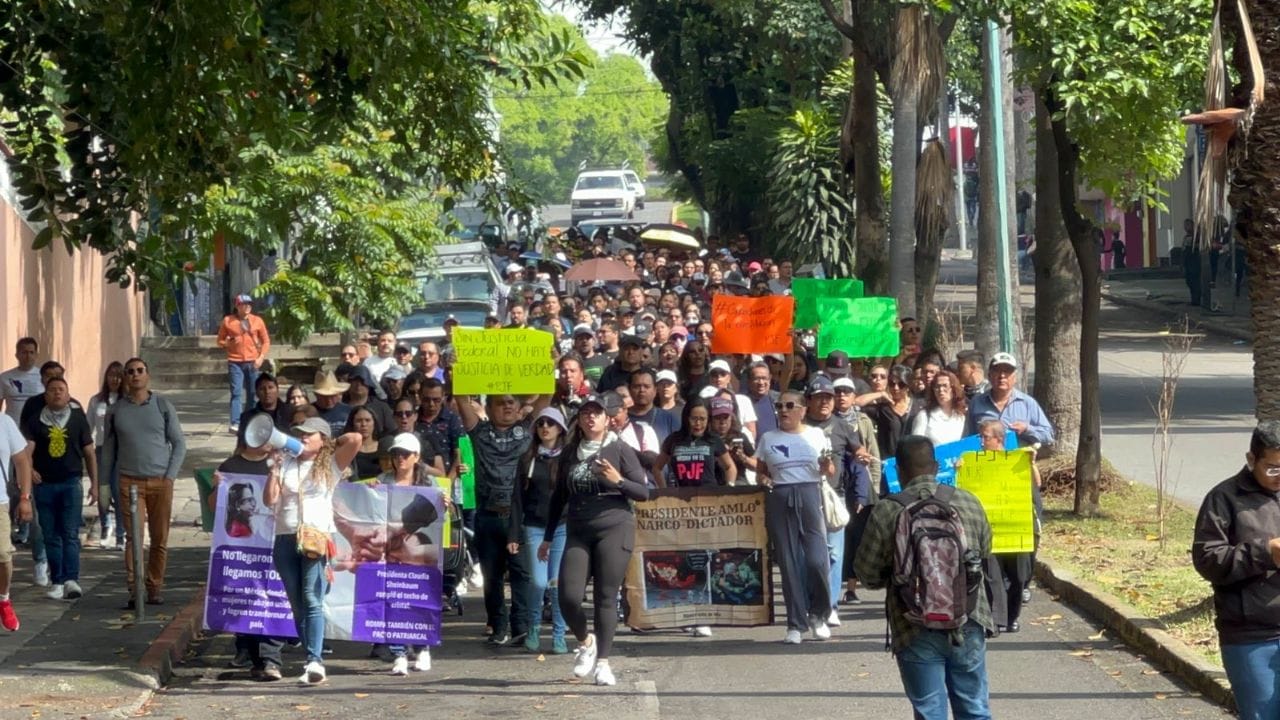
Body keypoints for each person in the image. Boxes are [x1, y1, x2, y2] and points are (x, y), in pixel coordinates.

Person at [853, 435, 995, 719]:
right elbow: (986, 550)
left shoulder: (887, 510)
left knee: (930, 710)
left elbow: (866, 574)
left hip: (913, 623)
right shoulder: (967, 501)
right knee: (975, 708)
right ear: (936, 465)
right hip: (967, 615)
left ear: (900, 470)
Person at [541, 394, 651, 686]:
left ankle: (603, 662)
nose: (591, 417)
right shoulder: (569, 453)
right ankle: (585, 641)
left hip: (614, 527)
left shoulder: (620, 449)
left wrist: (618, 480)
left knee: (605, 596)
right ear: (579, 419)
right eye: (586, 413)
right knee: (567, 596)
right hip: (578, 528)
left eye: (597, 413)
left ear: (607, 419)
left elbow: (643, 492)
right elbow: (558, 499)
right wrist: (548, 537)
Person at [1192, 421, 1280, 719]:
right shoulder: (1224, 498)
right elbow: (1207, 559)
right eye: (1273, 468)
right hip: (1252, 634)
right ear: (1251, 459)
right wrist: (1266, 552)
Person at [264, 416, 361, 685]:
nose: (302, 438)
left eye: (309, 434)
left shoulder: (331, 463)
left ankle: (314, 660)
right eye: (299, 434)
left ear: (322, 439)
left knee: (311, 597)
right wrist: (274, 467)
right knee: (297, 603)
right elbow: (270, 500)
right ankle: (311, 656)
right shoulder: (287, 464)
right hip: (285, 537)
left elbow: (355, 440)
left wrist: (328, 443)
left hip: (315, 538)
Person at [456, 392, 543, 646]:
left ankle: (521, 627)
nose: (506, 407)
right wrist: (456, 370)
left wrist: (551, 366)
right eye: (499, 403)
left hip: (519, 518)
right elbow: (461, 400)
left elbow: (546, 396)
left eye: (510, 402)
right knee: (491, 576)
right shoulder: (479, 432)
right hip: (487, 516)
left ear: (519, 408)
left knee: (522, 574)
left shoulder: (529, 429)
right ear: (488, 408)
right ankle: (497, 626)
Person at [103, 358, 186, 607]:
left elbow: (179, 443)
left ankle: (154, 587)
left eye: (140, 371)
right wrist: (104, 485)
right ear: (125, 378)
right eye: (130, 372)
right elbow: (108, 450)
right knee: (134, 538)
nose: (135, 375)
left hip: (160, 480)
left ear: (147, 375)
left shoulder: (162, 405)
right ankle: (134, 588)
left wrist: (170, 476)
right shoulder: (116, 411)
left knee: (159, 539)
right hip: (130, 482)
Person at [755, 391, 834, 644]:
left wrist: (826, 466)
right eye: (779, 406)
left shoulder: (815, 435)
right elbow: (761, 472)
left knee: (817, 560)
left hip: (810, 492)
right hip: (781, 495)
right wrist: (764, 480)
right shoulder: (768, 438)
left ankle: (820, 614)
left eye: (789, 405)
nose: (783, 410)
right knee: (788, 562)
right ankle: (795, 623)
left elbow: (830, 470)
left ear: (802, 409)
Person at [214, 428, 284, 681]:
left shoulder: (280, 464)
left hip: (275, 545)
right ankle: (257, 659)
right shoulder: (231, 465)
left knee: (273, 598)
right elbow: (216, 508)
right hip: (241, 553)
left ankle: (271, 659)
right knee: (249, 603)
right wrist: (217, 488)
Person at [22, 377, 95, 600]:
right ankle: (57, 580)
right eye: (52, 390)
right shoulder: (36, 421)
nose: (57, 393)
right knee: (50, 535)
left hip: (71, 483)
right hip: (44, 486)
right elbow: (26, 452)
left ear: (68, 393)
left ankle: (72, 579)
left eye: (61, 390)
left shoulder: (77, 418)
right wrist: (30, 470)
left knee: (70, 533)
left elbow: (89, 452)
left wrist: (94, 482)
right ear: (46, 394)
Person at [376, 432, 439, 675]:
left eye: (405, 454)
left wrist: (442, 504)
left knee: (419, 601)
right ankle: (399, 653)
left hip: (420, 555)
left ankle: (422, 648)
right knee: (393, 602)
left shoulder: (428, 485)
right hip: (390, 553)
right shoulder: (382, 480)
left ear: (416, 457)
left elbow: (438, 517)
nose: (399, 458)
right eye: (395, 453)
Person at [509, 407, 570, 656]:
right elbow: (517, 499)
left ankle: (559, 633)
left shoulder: (568, 458)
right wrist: (513, 535)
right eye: (541, 423)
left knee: (556, 583)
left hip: (563, 528)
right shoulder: (528, 458)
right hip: (534, 527)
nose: (546, 427)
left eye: (551, 423)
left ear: (560, 429)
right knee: (538, 581)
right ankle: (533, 626)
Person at [966, 353, 1055, 447]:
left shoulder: (1027, 403)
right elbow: (967, 438)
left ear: (1015, 377)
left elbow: (1048, 435)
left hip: (1018, 460)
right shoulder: (976, 403)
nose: (1002, 376)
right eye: (997, 371)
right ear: (989, 375)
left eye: (1007, 371)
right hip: (985, 460)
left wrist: (1027, 429)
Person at [217, 294, 271, 433]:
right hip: (235, 361)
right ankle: (235, 422)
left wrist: (261, 357)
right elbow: (220, 341)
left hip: (252, 361)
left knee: (253, 392)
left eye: (249, 304)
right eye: (244, 304)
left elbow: (266, 341)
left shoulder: (257, 321)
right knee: (236, 393)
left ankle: (250, 420)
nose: (247, 306)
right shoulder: (228, 321)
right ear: (237, 306)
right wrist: (227, 343)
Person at [0, 412, 33, 630]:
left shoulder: (4, 422)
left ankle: (3, 598)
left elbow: (21, 461)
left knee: (3, 555)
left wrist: (24, 498)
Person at [88, 362, 125, 550]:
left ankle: (121, 534)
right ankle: (105, 526)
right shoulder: (96, 401)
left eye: (118, 376)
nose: (115, 379)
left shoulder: (126, 401)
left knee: (119, 492)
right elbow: (89, 428)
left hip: (121, 451)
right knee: (103, 492)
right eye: (111, 375)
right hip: (102, 450)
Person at [911, 370, 969, 446]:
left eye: (945, 386)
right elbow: (915, 446)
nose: (941, 390)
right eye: (937, 387)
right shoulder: (924, 415)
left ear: (954, 388)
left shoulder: (962, 415)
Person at [626, 368, 677, 443]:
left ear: (655, 390)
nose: (642, 390)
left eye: (646, 386)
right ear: (629, 390)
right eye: (637, 386)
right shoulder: (620, 418)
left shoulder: (669, 419)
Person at [0, 337, 41, 424]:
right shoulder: (4, 377)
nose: (28, 356)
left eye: (31, 352)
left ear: (36, 355)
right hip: (12, 427)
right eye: (24, 352)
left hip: (37, 429)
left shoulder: (43, 376)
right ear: (17, 355)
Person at [344, 406, 384, 481]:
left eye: (368, 420)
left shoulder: (383, 447)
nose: (363, 424)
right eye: (359, 421)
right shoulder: (347, 450)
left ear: (374, 423)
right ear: (352, 424)